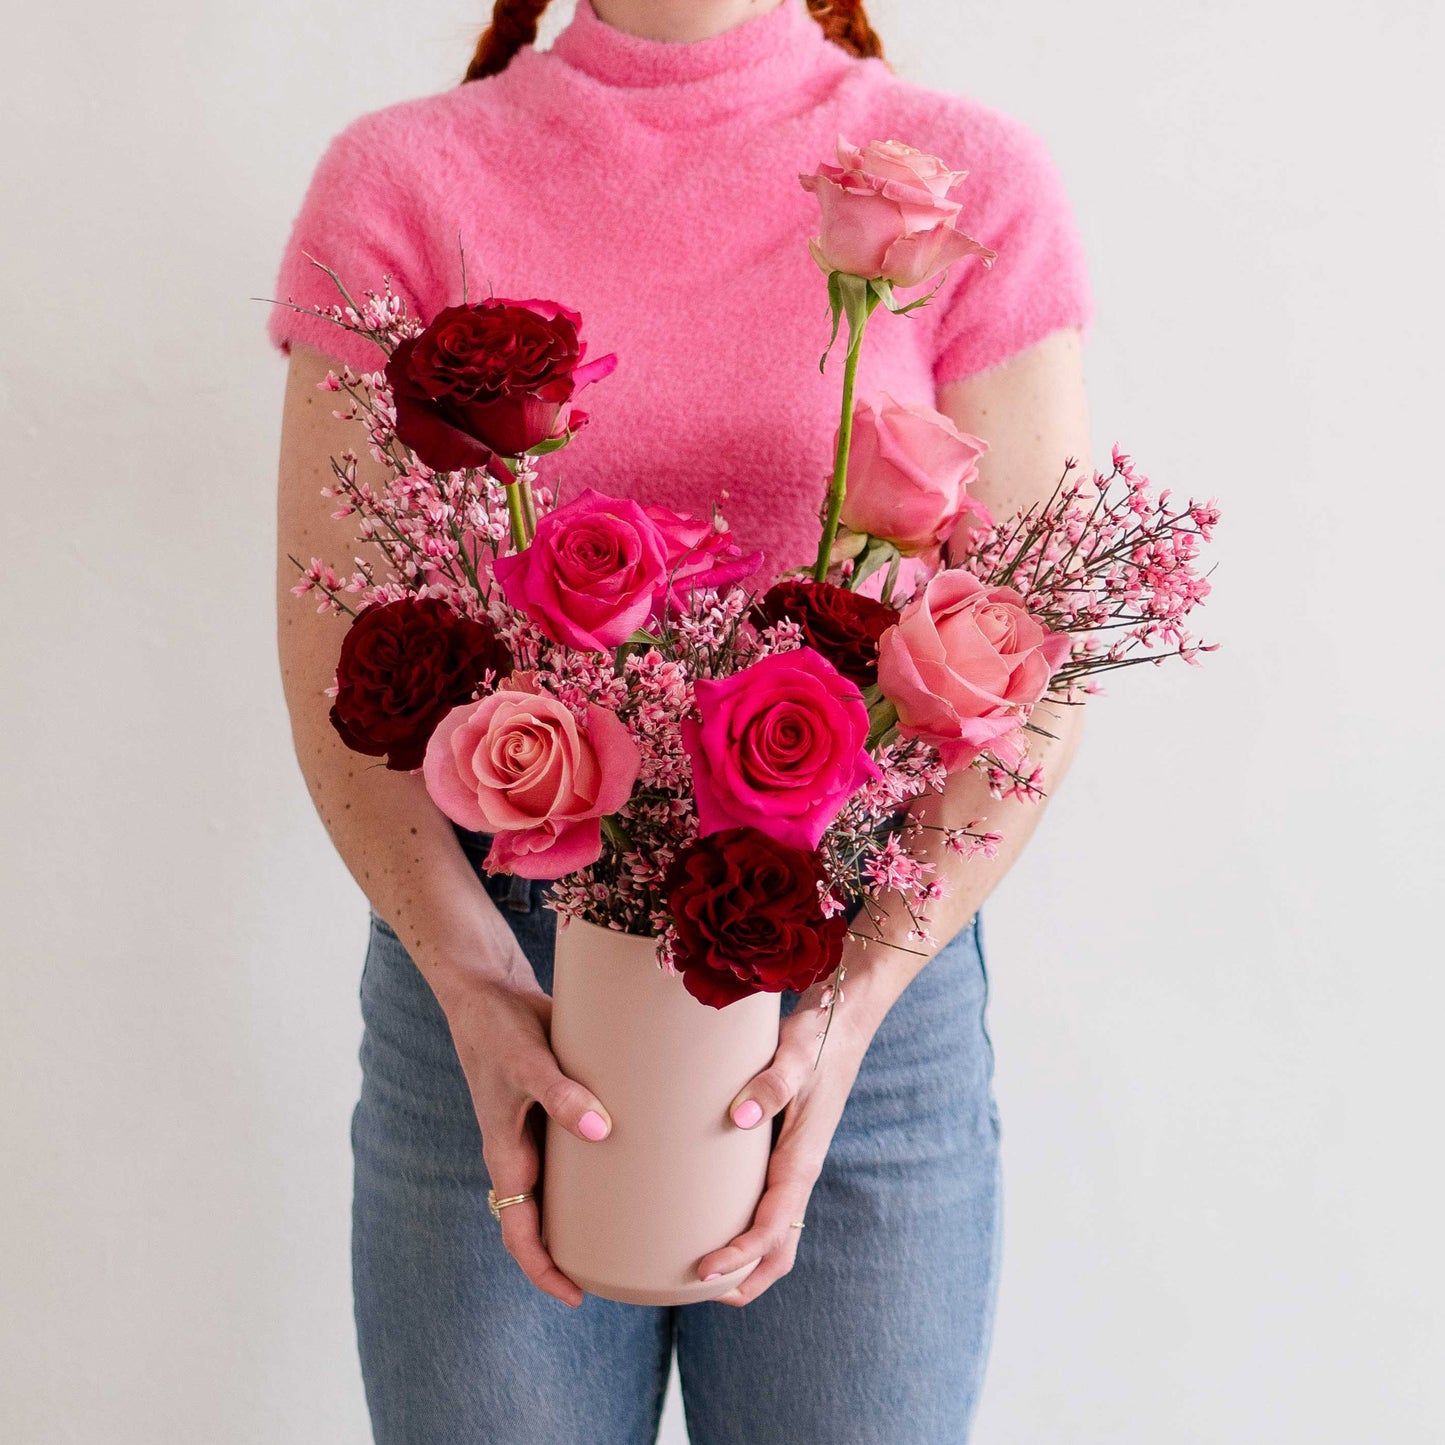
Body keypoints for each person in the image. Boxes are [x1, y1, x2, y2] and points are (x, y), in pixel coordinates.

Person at [270, 1, 1093, 1439]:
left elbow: (1034, 654)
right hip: (493, 965)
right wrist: (470, 982)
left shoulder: (969, 178)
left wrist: (855, 999)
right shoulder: (403, 178)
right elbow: (340, 644)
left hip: (854, 982)